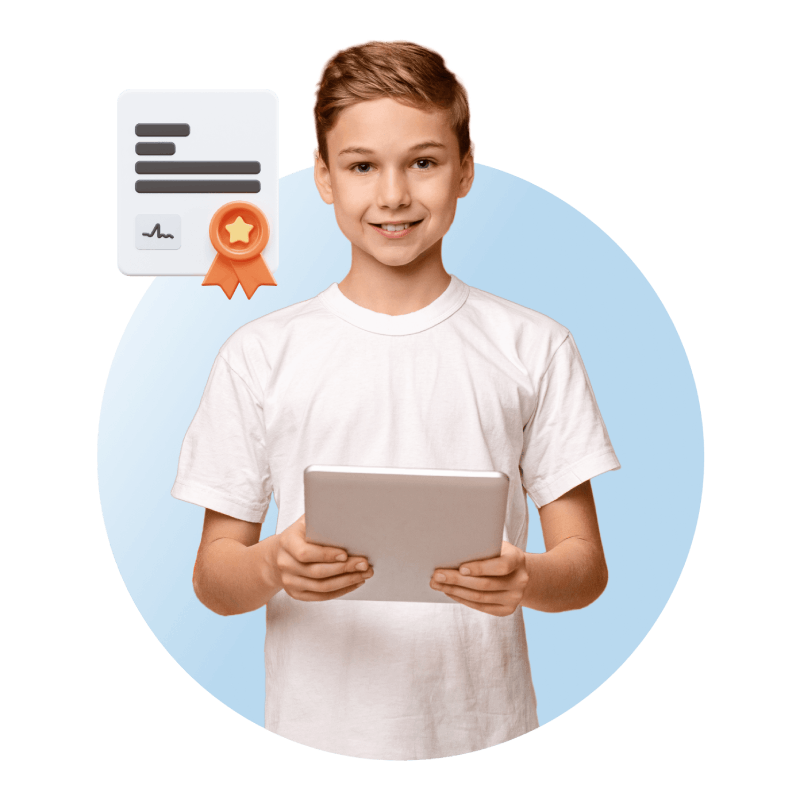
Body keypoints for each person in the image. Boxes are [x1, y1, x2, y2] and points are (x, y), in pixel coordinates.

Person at [172, 39, 620, 759]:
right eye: (360, 166)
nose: (392, 196)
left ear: (467, 168)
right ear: (322, 175)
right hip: (313, 732)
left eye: (423, 162)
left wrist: (526, 575)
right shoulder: (261, 354)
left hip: (487, 729)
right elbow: (214, 576)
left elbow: (585, 566)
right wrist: (271, 567)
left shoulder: (534, 346)